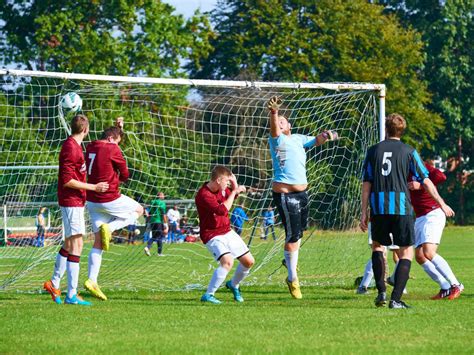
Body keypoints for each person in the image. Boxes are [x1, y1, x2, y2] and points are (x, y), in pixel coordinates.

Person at [360, 113, 455, 309]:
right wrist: (442, 203)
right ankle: (395, 300)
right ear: (402, 131)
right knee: (406, 252)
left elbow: (366, 183)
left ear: (386, 129)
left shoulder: (372, 151)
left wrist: (363, 212)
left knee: (378, 247)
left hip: (378, 208)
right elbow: (426, 180)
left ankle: (381, 293)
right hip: (402, 208)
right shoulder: (409, 151)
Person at [267, 96, 338, 299]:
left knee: (298, 234)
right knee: (292, 236)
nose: (280, 122)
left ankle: (289, 262)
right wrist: (273, 113)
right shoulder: (277, 139)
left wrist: (327, 134)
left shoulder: (298, 138)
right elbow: (274, 128)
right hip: (285, 194)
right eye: (277, 121)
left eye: (283, 120)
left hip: (302, 193)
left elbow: (317, 140)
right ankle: (292, 278)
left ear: (289, 125)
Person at [43, 114, 109, 306]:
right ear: (86, 130)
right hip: (71, 201)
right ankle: (71, 294)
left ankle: (53, 283)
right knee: (77, 245)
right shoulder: (71, 148)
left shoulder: (75, 146)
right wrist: (94, 187)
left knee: (70, 244)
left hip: (76, 201)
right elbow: (67, 181)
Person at [84, 118, 144, 300]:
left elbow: (112, 142)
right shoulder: (112, 148)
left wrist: (119, 129)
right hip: (109, 197)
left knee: (98, 243)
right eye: (118, 142)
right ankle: (110, 228)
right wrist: (118, 177)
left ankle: (91, 281)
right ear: (111, 139)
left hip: (92, 200)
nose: (119, 146)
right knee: (139, 210)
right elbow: (125, 174)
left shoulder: (90, 146)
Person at [195, 165, 255, 304]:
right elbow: (223, 210)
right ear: (218, 180)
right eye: (226, 181)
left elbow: (230, 195)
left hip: (227, 230)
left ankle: (233, 285)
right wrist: (235, 190)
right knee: (227, 261)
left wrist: (235, 186)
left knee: (249, 261)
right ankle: (208, 295)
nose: (227, 184)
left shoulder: (220, 189)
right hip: (212, 235)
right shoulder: (204, 195)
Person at [409, 160, 464, 300]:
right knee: (420, 256)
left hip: (433, 213)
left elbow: (441, 176)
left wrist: (420, 185)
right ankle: (445, 287)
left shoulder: (420, 167)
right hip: (420, 217)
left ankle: (456, 284)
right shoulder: (401, 172)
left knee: (428, 252)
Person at [144, 192, 168, 256]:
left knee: (155, 236)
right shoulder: (162, 203)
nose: (164, 196)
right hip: (158, 221)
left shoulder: (152, 202)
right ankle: (159, 253)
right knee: (159, 237)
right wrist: (166, 224)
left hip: (152, 221)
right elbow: (163, 213)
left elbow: (148, 213)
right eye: (162, 195)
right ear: (159, 196)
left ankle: (148, 247)